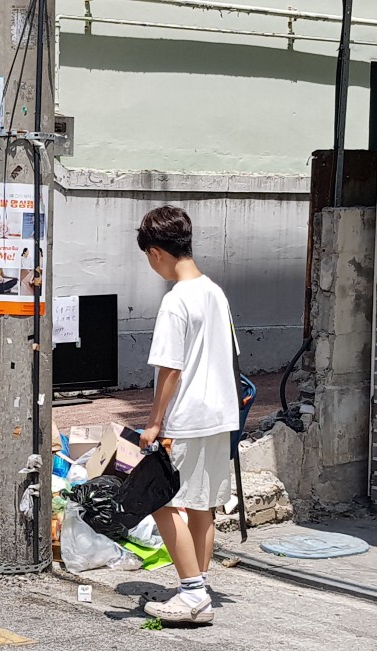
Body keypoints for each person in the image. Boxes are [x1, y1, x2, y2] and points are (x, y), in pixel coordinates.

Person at [135, 205, 240, 625]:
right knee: (202, 505)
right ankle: (198, 587)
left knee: (160, 500)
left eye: (149, 257)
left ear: (157, 252)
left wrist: (155, 421)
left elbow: (170, 369)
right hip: (221, 413)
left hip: (188, 415)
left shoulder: (176, 301)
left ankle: (192, 592)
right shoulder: (215, 292)